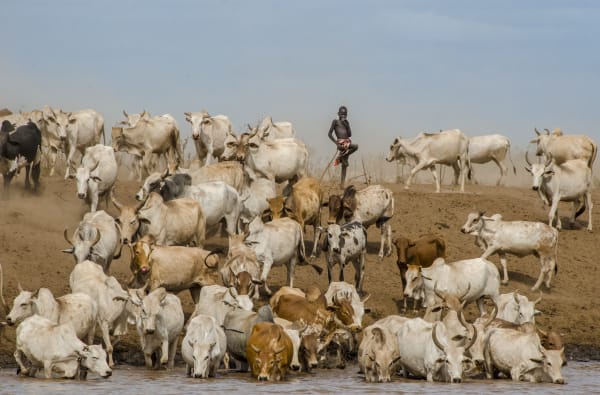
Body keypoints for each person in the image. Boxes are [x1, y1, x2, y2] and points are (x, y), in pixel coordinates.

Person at [328, 105, 358, 186]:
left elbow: (350, 134)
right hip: (340, 144)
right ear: (338, 114)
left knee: (355, 147)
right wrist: (336, 143)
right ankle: (343, 157)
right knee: (345, 164)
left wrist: (347, 125)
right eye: (342, 115)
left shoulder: (346, 123)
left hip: (347, 142)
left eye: (344, 115)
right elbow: (329, 134)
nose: (343, 116)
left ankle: (342, 184)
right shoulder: (335, 122)